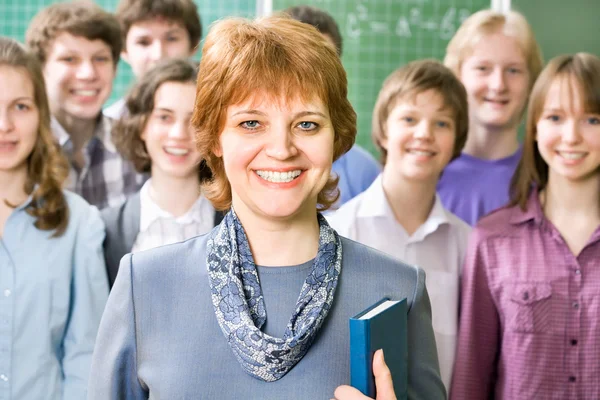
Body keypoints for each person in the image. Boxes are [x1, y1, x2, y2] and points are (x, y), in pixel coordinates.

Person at [87, 15, 444, 399]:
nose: (281, 149)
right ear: (215, 137)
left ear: (336, 136)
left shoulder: (397, 292)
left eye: (306, 124)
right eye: (251, 123)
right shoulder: (145, 285)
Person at [450, 53, 600, 399]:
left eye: (592, 119)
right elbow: (472, 375)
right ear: (534, 128)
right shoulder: (492, 238)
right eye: (555, 117)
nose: (571, 136)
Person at [328, 59, 471, 390]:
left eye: (442, 124)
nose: (424, 133)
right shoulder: (339, 231)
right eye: (409, 118)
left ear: (457, 141)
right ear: (383, 128)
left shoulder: (468, 245)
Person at [0, 37, 108, 399]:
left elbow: (85, 356)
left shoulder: (78, 222)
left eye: (20, 106)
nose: (4, 125)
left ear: (40, 115)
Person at [102, 58, 221, 288]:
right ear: (141, 126)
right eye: (164, 117)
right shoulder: (107, 231)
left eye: (195, 121)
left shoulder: (240, 225)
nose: (178, 133)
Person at [25, 1, 146, 209]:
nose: (88, 74)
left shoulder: (136, 146)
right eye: (70, 59)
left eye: (100, 59)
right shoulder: (18, 147)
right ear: (39, 69)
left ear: (115, 68)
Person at [436, 10, 543, 225]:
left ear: (531, 82)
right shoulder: (426, 168)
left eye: (513, 70)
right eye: (483, 68)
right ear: (457, 77)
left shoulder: (543, 177)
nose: (498, 85)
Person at [284, 5, 381, 207]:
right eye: (296, 61)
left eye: (325, 64)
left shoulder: (363, 171)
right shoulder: (249, 159)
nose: (311, 76)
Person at [104, 0, 202, 119]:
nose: (158, 55)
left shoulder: (219, 120)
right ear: (123, 50)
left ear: (193, 45)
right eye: (143, 42)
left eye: (171, 39)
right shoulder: (110, 125)